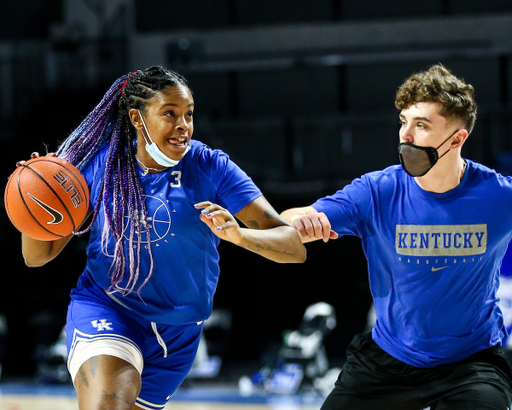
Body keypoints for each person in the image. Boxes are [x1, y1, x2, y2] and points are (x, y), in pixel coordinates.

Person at [20, 66, 306, 410]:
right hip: (110, 309)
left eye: (188, 114)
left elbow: (292, 246)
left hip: (178, 332)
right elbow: (38, 255)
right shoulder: (101, 167)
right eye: (170, 114)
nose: (183, 125)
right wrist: (34, 204)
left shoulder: (209, 166)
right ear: (137, 119)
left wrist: (239, 235)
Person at [281, 64, 512, 409]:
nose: (406, 134)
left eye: (421, 125)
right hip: (388, 361)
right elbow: (289, 219)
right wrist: (300, 222)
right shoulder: (378, 191)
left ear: (457, 139)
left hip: (470, 364)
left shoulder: (497, 196)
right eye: (404, 121)